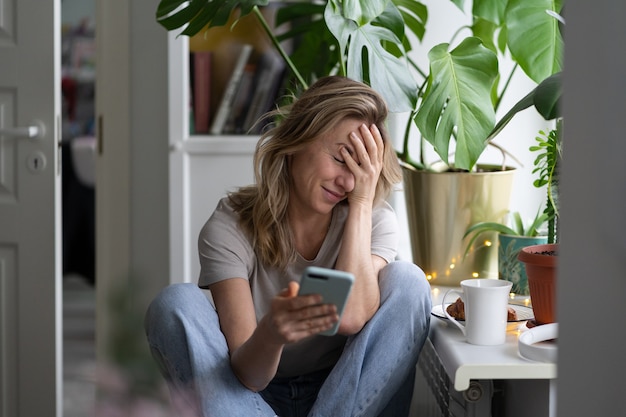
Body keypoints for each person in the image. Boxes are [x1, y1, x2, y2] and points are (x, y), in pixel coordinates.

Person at [144, 76, 432, 417]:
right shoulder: (231, 224)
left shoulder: (372, 218)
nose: (347, 182)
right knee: (174, 303)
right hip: (252, 399)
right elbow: (250, 378)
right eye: (342, 160)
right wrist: (272, 334)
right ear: (298, 140)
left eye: (361, 169)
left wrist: (362, 203)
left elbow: (351, 318)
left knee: (410, 282)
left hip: (345, 396)